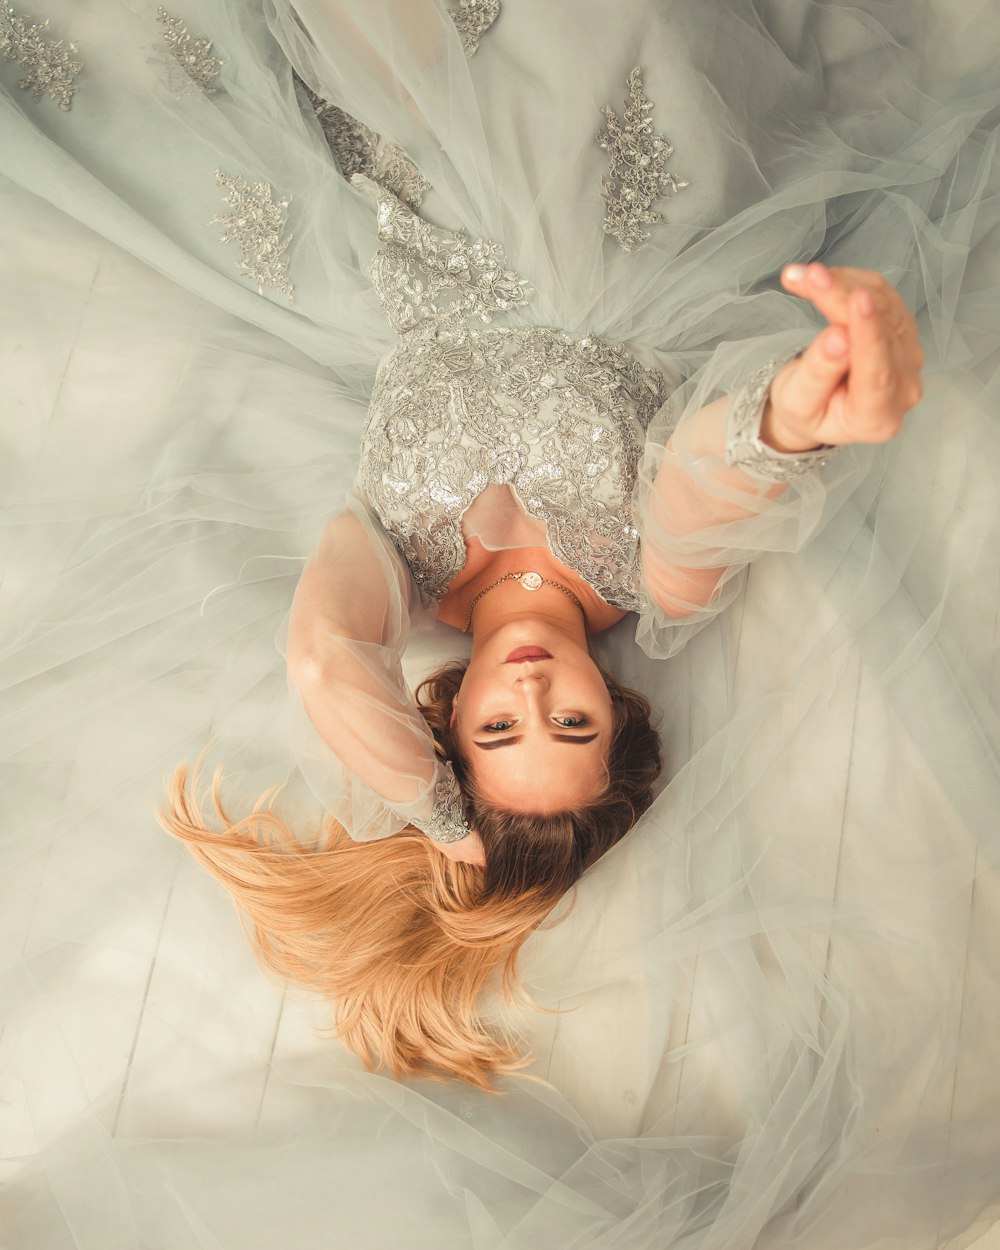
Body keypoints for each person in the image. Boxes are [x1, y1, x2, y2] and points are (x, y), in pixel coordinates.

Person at [1, 2, 999, 1248]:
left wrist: (437, 817)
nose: (530, 688)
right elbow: (711, 480)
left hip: (425, 196)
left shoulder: (395, 573)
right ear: (619, 704)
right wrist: (800, 410)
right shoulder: (647, 579)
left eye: (499, 727)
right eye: (571, 719)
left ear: (449, 718)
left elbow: (321, 658)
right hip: (628, 212)